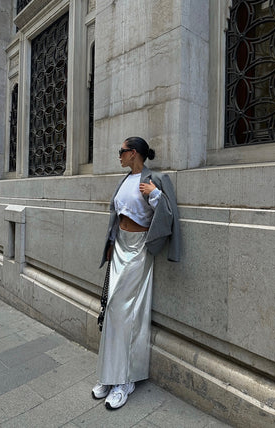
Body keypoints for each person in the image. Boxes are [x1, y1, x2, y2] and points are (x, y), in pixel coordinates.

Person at [92, 136, 180, 410]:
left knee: (125, 310)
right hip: (119, 248)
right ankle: (109, 374)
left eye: (122, 151)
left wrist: (154, 195)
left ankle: (125, 380)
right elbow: (115, 214)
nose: (119, 155)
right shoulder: (124, 181)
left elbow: (168, 217)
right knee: (113, 310)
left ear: (135, 154)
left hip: (139, 249)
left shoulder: (155, 179)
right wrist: (109, 245)